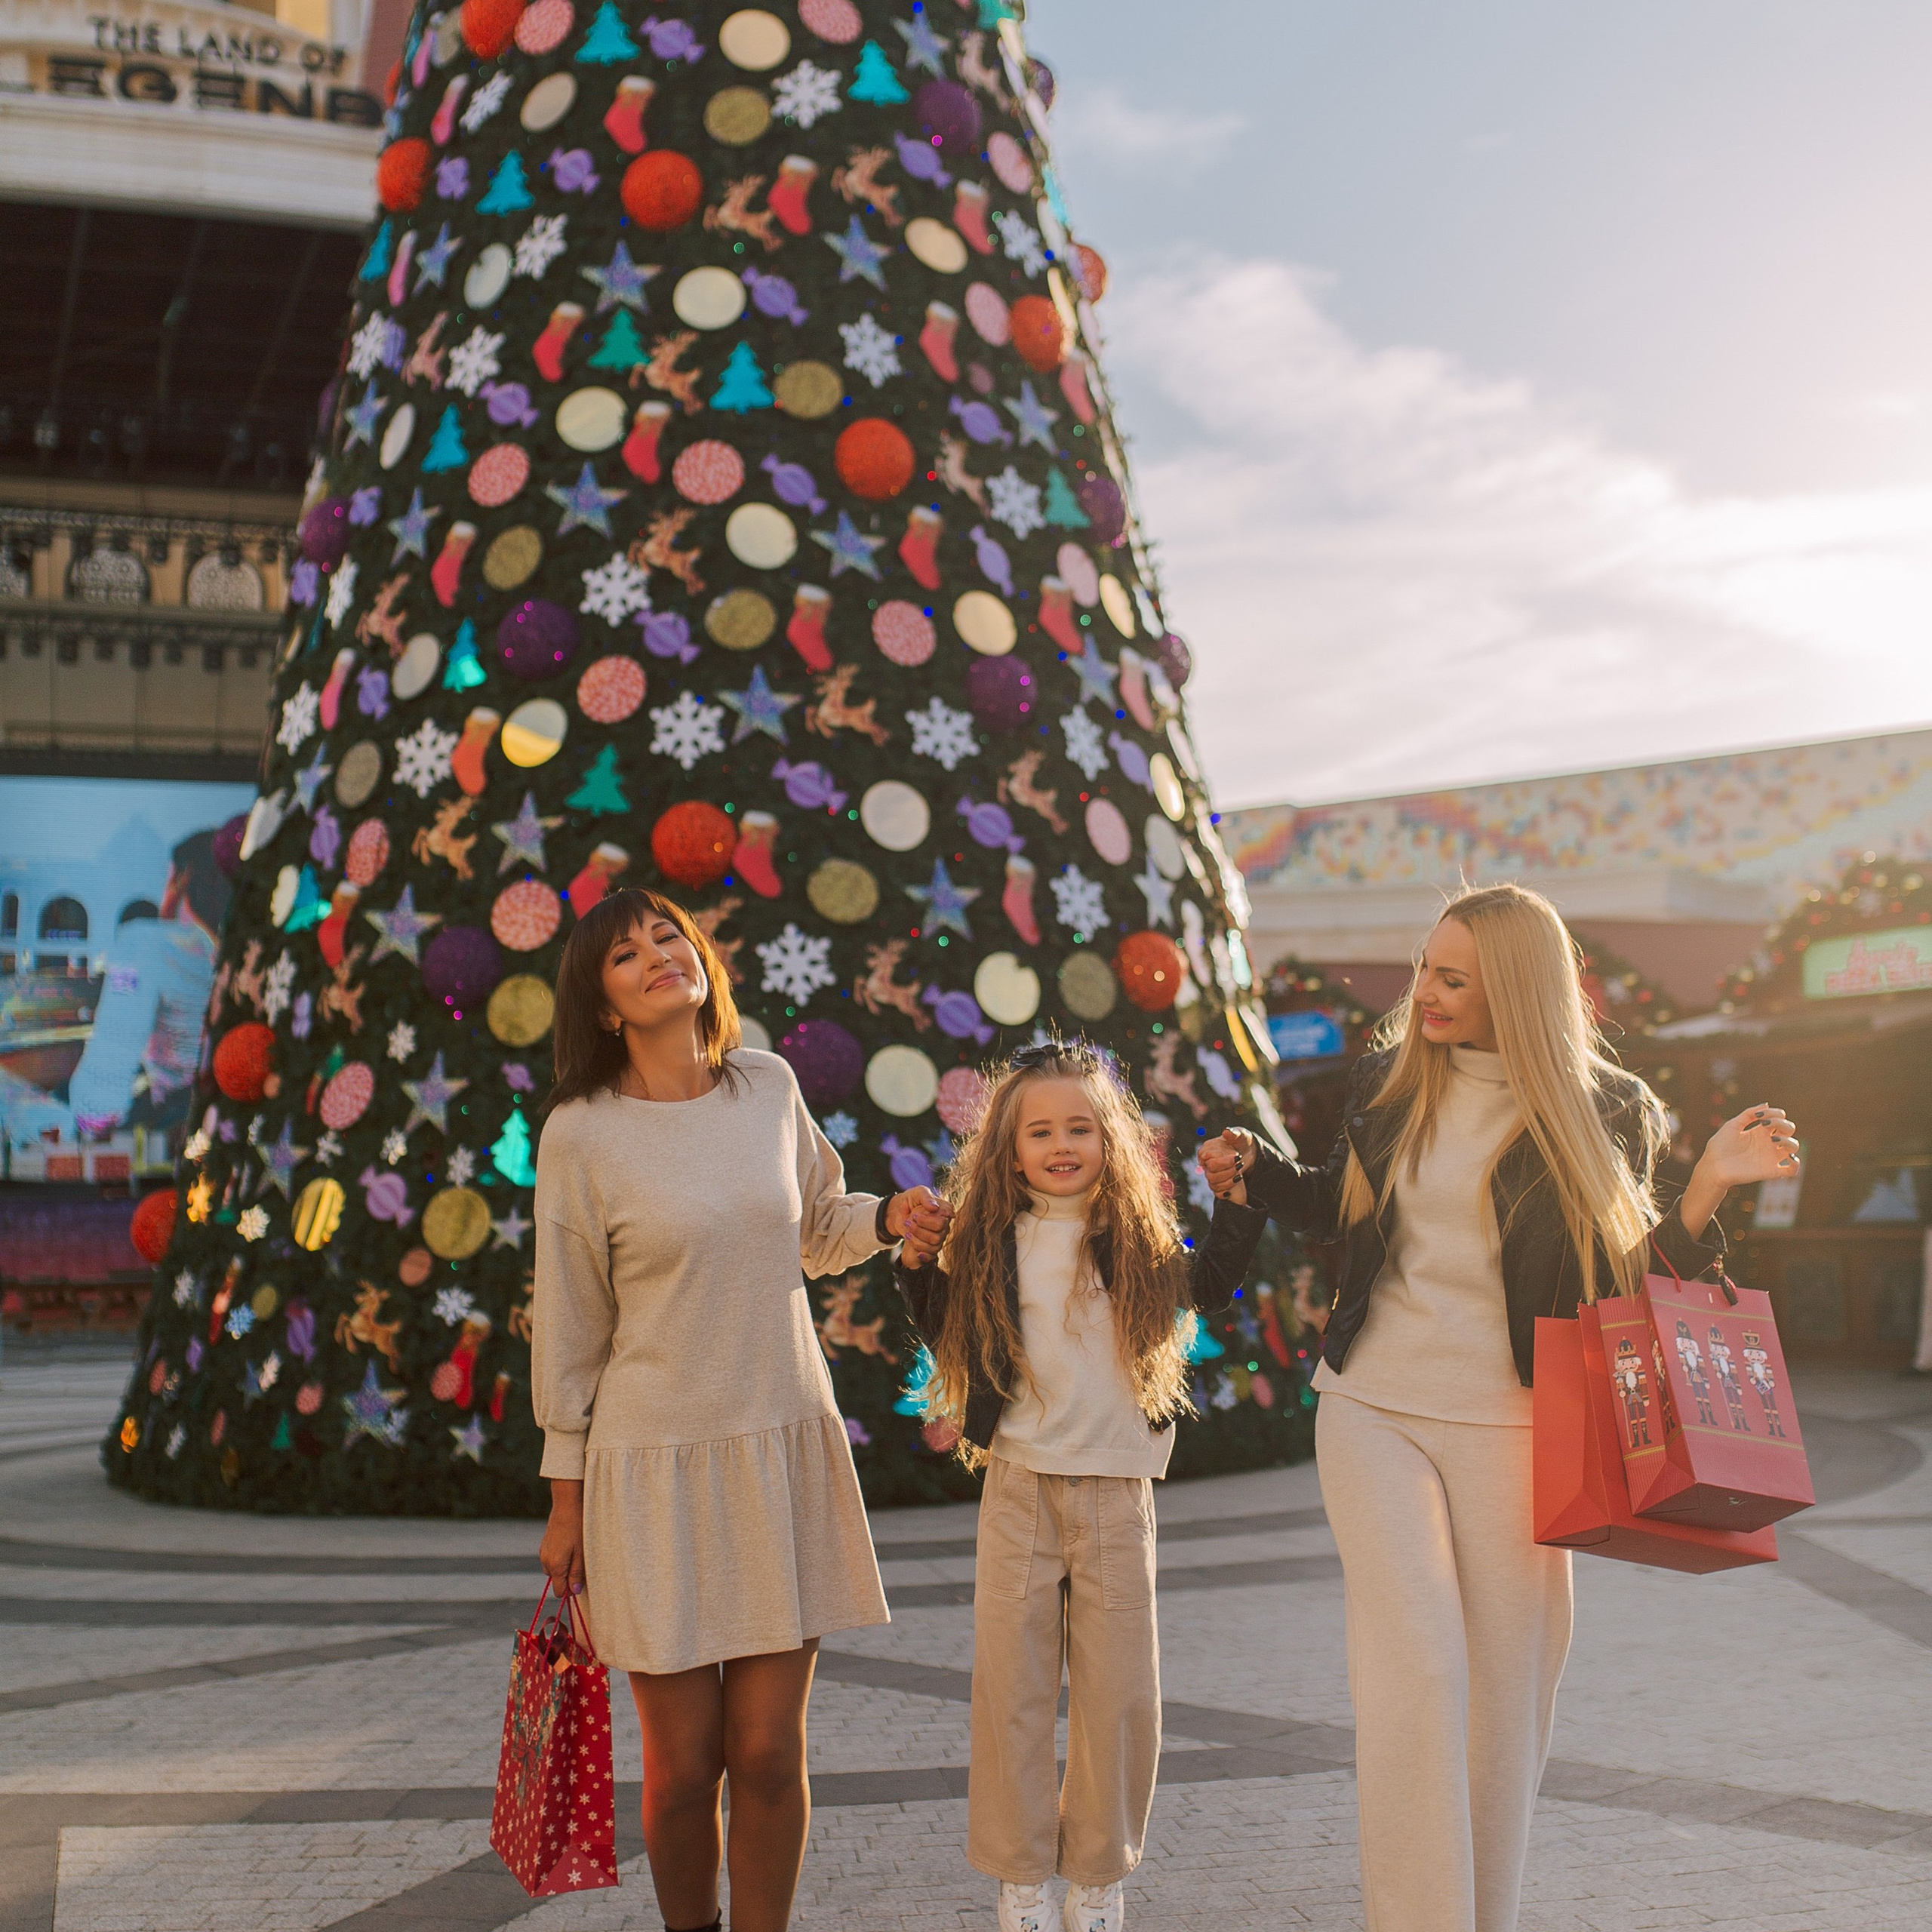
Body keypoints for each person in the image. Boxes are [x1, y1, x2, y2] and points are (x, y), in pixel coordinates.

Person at [1199, 883, 1798, 1932]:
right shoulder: (1386, 1079)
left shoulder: (1603, 1104)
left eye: (1450, 978)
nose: (1420, 992)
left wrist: (1706, 1184)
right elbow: (1340, 1202)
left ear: (1514, 988)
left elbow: (1627, 1272)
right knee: (1419, 1670)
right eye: (1425, 966)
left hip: (1522, 1422)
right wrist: (1256, 1172)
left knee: (1508, 1691)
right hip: (1373, 1402)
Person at [532, 888, 950, 1932]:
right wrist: (565, 1499)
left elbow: (815, 1227)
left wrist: (887, 1220)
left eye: (668, 934)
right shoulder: (580, 1134)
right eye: (626, 956)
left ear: (702, 957)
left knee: (767, 1753)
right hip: (650, 1464)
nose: (657, 955)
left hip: (780, 1445)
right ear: (604, 1006)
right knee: (683, 1770)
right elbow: (572, 1322)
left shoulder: (766, 1085)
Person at [895, 1039, 1267, 1932]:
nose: (1061, 1144)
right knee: (1012, 1693)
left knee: (1119, 1697)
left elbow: (1211, 1283)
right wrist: (912, 1264)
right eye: (1039, 1131)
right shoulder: (989, 1242)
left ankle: (1096, 1879)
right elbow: (944, 1327)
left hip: (1114, 1488)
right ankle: (1021, 1879)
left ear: (1110, 1138)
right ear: (1009, 1148)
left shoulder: (1135, 1239)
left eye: (1080, 1127)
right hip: (1020, 1483)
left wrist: (1240, 1198)